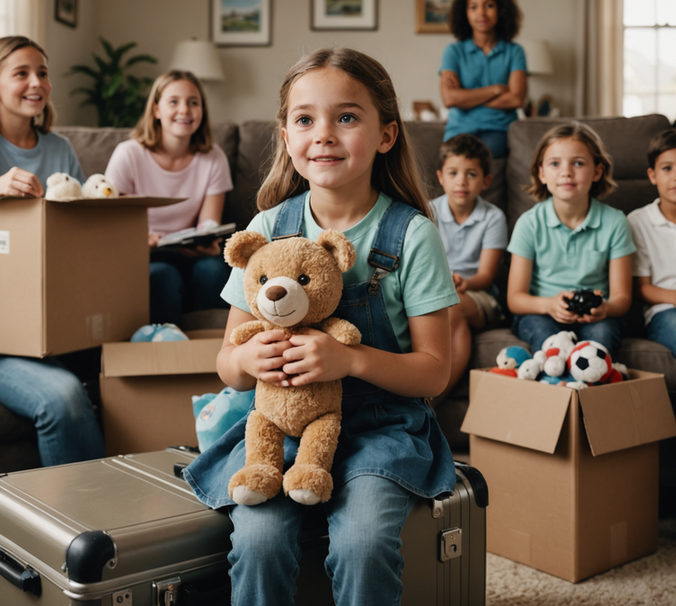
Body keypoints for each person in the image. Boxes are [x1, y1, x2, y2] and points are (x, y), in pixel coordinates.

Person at [183, 48, 459, 606]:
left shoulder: (412, 235)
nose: (324, 134)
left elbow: (435, 372)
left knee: (363, 541)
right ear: (286, 136)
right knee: (258, 540)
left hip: (382, 426)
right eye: (305, 119)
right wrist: (246, 361)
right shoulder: (267, 227)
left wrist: (351, 360)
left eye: (347, 117)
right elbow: (227, 366)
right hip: (280, 426)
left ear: (386, 134)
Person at [0, 35, 105, 466]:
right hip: (6, 336)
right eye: (20, 73)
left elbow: (80, 229)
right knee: (62, 397)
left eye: (42, 72)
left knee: (130, 360)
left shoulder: (59, 148)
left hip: (57, 316)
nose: (35, 82)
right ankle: (84, 525)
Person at [105, 70, 233, 325]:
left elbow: (209, 221)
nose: (184, 110)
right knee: (163, 275)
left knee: (213, 270)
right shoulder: (128, 154)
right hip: (143, 252)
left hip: (191, 251)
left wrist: (207, 239)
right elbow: (111, 221)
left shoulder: (214, 157)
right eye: (173, 101)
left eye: (193, 102)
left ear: (202, 111)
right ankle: (165, 348)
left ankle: (209, 351)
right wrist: (141, 238)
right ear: (156, 110)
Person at [506, 122, 635, 359]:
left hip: (597, 317)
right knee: (548, 342)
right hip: (541, 313)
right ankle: (557, 390)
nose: (566, 172)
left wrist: (605, 308)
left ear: (597, 171)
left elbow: (622, 299)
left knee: (602, 336)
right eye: (555, 164)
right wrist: (549, 305)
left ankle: (590, 393)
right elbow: (515, 299)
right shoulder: (529, 223)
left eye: (578, 163)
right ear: (541, 174)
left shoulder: (615, 222)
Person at [627, 129, 676, 463]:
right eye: (667, 168)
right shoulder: (639, 222)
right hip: (665, 308)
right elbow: (640, 288)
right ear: (652, 175)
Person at [431, 133, 507, 399]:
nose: (461, 181)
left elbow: (486, 275)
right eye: (453, 173)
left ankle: (433, 398)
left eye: (471, 174)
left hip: (478, 294)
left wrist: (464, 282)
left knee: (455, 306)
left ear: (486, 181)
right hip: (436, 290)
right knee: (446, 308)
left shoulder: (493, 218)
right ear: (441, 177)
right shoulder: (429, 212)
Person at [439, 0, 527, 159]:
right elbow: (449, 98)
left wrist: (466, 96)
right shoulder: (453, 51)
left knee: (479, 159)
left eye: (489, 5)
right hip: (458, 130)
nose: (481, 13)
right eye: (473, 7)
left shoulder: (514, 51)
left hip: (499, 130)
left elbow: (517, 99)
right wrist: (494, 90)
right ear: (465, 13)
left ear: (501, 10)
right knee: (456, 162)